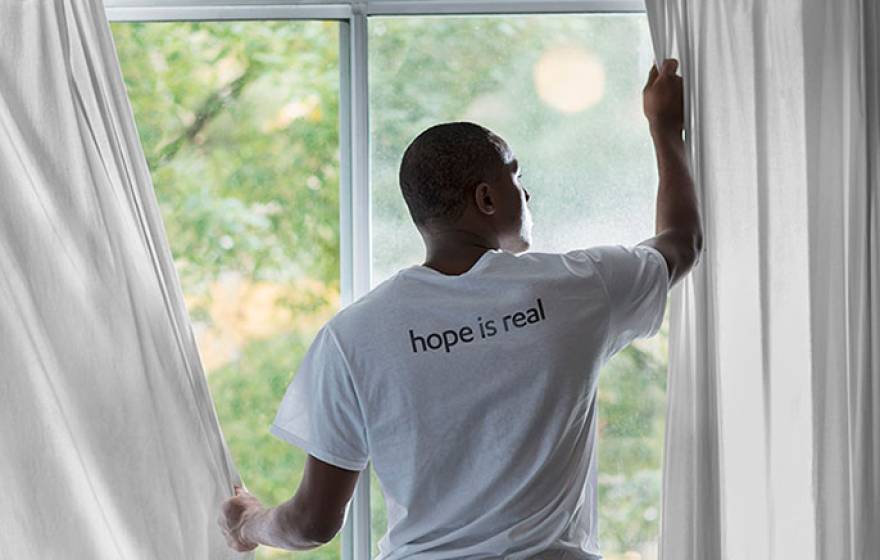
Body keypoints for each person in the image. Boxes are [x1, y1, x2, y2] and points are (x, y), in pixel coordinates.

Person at [219, 57, 702, 559]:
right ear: (487, 198)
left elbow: (312, 523)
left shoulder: (353, 337)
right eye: (516, 175)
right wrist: (666, 129)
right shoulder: (577, 288)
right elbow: (682, 243)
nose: (527, 190)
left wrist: (250, 524)